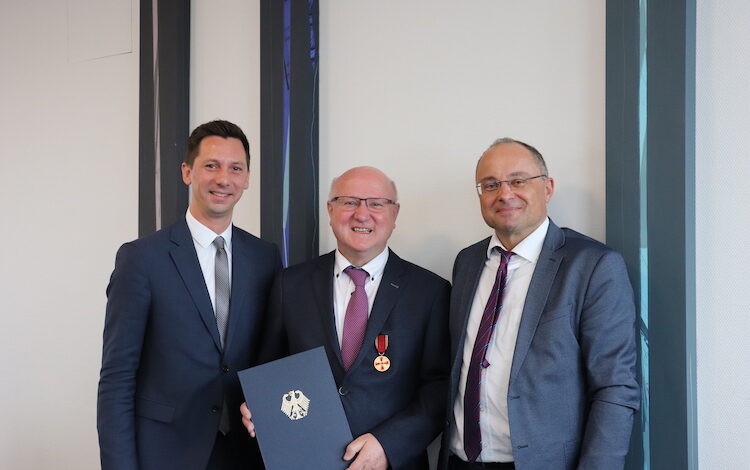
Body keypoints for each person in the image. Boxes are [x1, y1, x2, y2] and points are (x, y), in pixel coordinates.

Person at [439, 139, 640, 470]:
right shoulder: (467, 262)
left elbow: (614, 387)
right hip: (460, 461)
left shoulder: (593, 266)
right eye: (490, 184)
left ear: (547, 188)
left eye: (518, 181)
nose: (505, 194)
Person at [97, 120, 281, 470]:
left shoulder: (265, 257)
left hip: (247, 451)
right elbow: (117, 377)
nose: (223, 179)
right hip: (166, 452)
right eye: (211, 165)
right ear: (187, 172)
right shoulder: (141, 259)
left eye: (235, 168)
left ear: (246, 178)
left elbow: (272, 356)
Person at [242, 166, 450, 470]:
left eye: (376, 203)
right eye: (349, 202)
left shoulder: (430, 292)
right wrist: (257, 404)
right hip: (304, 460)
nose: (362, 214)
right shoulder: (290, 285)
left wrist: (389, 445)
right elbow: (269, 371)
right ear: (330, 210)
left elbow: (440, 386)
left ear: (394, 213)